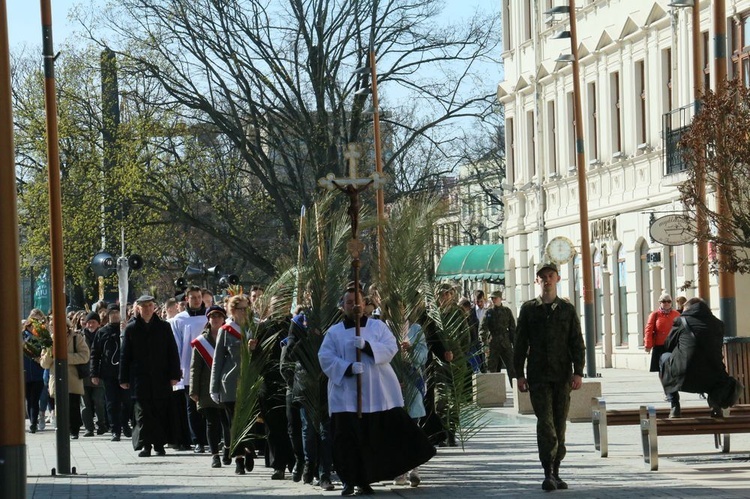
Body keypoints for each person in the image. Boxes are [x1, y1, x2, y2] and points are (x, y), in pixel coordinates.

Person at [318, 287, 435, 497]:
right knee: (345, 440)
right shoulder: (334, 332)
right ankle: (348, 481)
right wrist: (347, 368)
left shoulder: (378, 327)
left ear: (364, 304)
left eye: (358, 301)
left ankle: (364, 480)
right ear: (343, 306)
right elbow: (325, 357)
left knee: (368, 440)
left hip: (375, 393)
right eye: (349, 302)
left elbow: (391, 348)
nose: (354, 306)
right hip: (345, 396)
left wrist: (368, 346)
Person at [514, 262, 585, 492]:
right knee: (546, 424)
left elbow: (576, 341)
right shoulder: (528, 309)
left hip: (562, 375)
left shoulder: (566, 309)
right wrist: (520, 375)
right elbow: (520, 344)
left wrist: (578, 371)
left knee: (560, 424)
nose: (547, 280)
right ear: (537, 281)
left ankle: (556, 471)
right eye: (542, 277)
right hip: (538, 376)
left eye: (550, 276)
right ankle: (547, 472)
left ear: (558, 278)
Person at [120, 295, 181, 457]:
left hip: (161, 377)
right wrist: (123, 378)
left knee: (160, 411)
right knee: (143, 414)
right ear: (138, 309)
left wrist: (175, 374)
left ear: (154, 307)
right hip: (140, 379)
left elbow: (172, 352)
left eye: (150, 306)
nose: (147, 309)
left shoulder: (164, 327)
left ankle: (160, 445)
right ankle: (146, 445)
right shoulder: (131, 329)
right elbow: (125, 355)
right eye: (143, 306)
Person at [659, 297, 742, 418]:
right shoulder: (718, 324)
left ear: (688, 309)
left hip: (684, 376)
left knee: (664, 357)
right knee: (711, 363)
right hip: (713, 377)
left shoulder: (680, 321)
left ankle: (674, 405)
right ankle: (715, 403)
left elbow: (668, 345)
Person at [210, 294, 257, 474]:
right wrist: (214, 388)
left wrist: (254, 348)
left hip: (250, 382)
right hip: (230, 383)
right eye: (240, 309)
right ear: (232, 310)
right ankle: (238, 459)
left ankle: (249, 449)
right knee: (234, 424)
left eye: (246, 308)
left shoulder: (254, 328)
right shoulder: (226, 330)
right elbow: (218, 360)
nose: (244, 312)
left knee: (250, 421)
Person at [190, 305, 231, 468]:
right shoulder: (201, 341)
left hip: (226, 387)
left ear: (223, 319)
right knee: (212, 423)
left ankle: (227, 449)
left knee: (227, 423)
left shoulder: (230, 337)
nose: (215, 319)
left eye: (219, 316)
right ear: (208, 319)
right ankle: (215, 455)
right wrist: (193, 390)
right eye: (212, 317)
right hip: (207, 388)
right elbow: (195, 367)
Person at [171, 285, 209, 453]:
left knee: (210, 405)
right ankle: (197, 440)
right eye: (193, 297)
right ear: (187, 299)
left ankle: (211, 438)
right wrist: (177, 368)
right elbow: (176, 345)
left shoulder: (210, 316)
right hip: (188, 368)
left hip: (209, 366)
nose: (197, 300)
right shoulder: (179, 319)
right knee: (192, 406)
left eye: (199, 296)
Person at [40, 318, 90, 439]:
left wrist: (65, 357)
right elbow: (44, 364)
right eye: (52, 326)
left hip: (72, 378)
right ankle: (62, 429)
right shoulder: (49, 341)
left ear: (67, 326)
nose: (53, 328)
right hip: (56, 377)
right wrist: (50, 353)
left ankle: (74, 430)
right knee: (59, 406)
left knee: (73, 405)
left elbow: (85, 356)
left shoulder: (76, 338)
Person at [91, 304, 133, 441]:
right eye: (112, 313)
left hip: (126, 372)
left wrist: (126, 330)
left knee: (127, 401)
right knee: (111, 402)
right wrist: (94, 373)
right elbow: (95, 354)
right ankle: (115, 429)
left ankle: (125, 424)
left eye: (117, 312)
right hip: (109, 373)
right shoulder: (102, 332)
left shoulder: (128, 329)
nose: (115, 315)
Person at [81, 311, 109, 437]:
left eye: (93, 322)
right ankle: (88, 428)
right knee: (85, 404)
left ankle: (101, 424)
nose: (90, 325)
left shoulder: (103, 334)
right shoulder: (80, 337)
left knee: (98, 401)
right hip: (83, 375)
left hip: (99, 374)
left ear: (98, 323)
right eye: (88, 323)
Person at [480, 290, 516, 380]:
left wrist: (515, 344)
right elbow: (482, 329)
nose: (493, 300)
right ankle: (493, 392)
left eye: (495, 298)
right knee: (491, 369)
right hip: (493, 343)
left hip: (505, 342)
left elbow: (513, 329)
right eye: (492, 298)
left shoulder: (507, 311)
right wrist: (484, 344)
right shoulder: (489, 312)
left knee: (512, 368)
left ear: (500, 298)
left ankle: (517, 389)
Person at [645, 293, 680, 382]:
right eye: (664, 301)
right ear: (660, 303)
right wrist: (648, 345)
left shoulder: (676, 314)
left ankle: (672, 386)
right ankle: (666, 387)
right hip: (660, 345)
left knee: (674, 367)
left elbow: (681, 329)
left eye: (669, 301)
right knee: (662, 368)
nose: (666, 303)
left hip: (673, 345)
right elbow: (648, 330)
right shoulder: (655, 314)